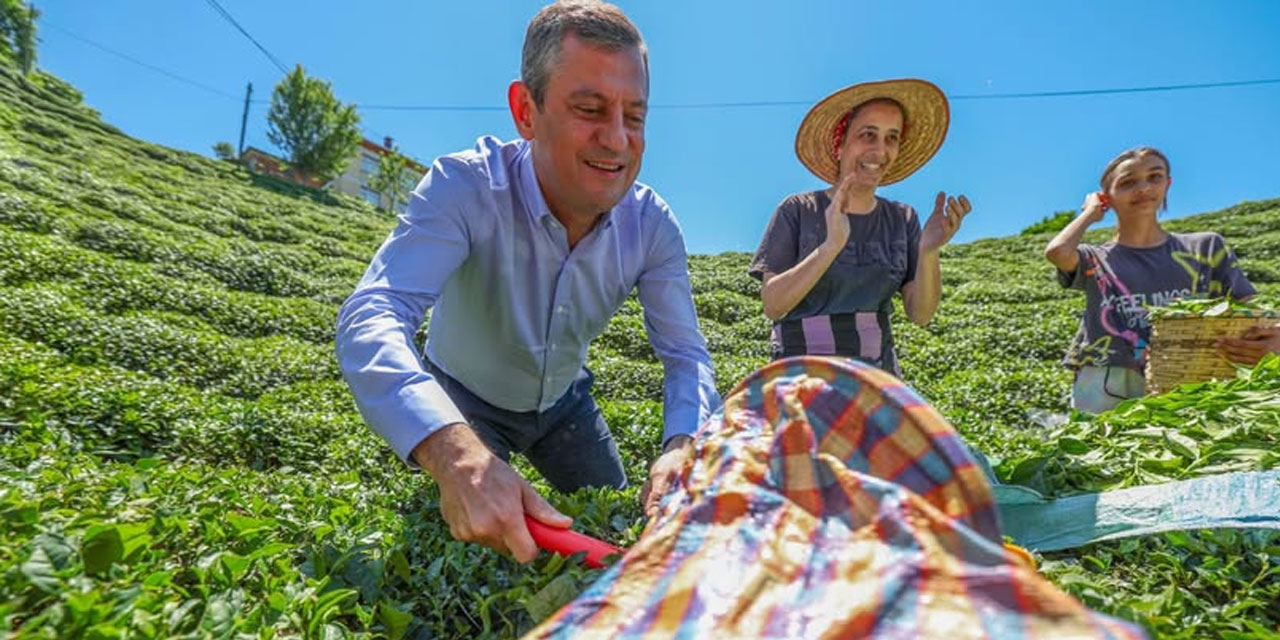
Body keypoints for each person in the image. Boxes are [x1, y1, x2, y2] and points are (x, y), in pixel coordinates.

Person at [335, 0, 719, 564]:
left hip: (566, 406)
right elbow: (372, 314)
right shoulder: (464, 186)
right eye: (589, 108)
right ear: (526, 110)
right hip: (463, 401)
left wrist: (682, 444)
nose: (616, 140)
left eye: (633, 116)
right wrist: (453, 452)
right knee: (487, 551)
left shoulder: (652, 225)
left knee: (617, 528)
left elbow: (685, 353)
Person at [748, 79, 972, 374]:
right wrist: (830, 248)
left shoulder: (902, 218)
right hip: (800, 377)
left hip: (876, 376)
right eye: (868, 135)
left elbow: (921, 314)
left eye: (892, 137)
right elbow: (773, 305)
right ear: (840, 145)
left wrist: (929, 252)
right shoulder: (798, 210)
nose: (880, 149)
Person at [1044, 147, 1257, 413]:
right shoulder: (1095, 258)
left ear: (1168, 184)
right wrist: (1090, 213)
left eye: (1154, 177)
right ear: (1106, 198)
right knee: (1099, 450)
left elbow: (1249, 309)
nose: (1143, 187)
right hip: (1109, 376)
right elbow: (1057, 252)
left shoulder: (1205, 247)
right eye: (1127, 182)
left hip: (1189, 370)